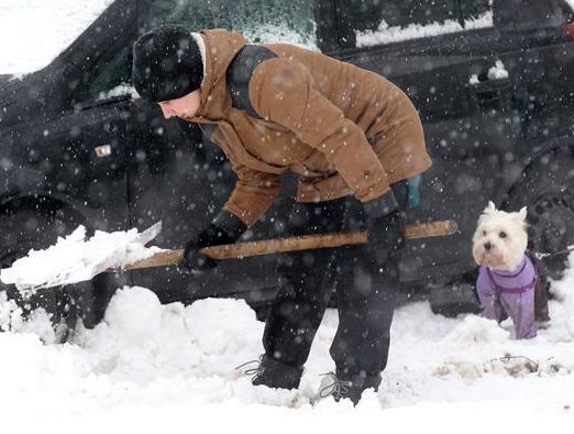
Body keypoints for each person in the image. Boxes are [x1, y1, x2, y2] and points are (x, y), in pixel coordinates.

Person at [131, 25, 432, 404]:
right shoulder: (212, 106)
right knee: (303, 265)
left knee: (366, 269)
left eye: (168, 99)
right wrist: (220, 232)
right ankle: (280, 369)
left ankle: (357, 383)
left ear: (191, 79)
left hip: (378, 139)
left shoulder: (263, 79)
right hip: (322, 161)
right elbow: (259, 175)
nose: (166, 112)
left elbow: (341, 136)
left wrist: (381, 206)